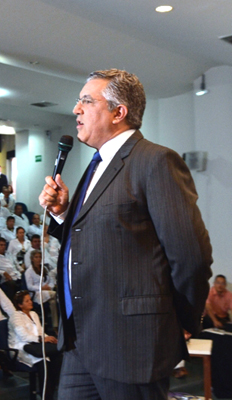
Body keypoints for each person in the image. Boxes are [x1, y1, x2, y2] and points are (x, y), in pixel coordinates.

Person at [38, 69, 212, 398]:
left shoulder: (155, 161)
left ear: (119, 113)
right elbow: (91, 243)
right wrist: (62, 213)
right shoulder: (95, 165)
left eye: (87, 101)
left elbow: (190, 255)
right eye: (78, 102)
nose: (76, 109)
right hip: (80, 340)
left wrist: (183, 320)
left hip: (130, 343)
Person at [9, 291, 61, 400]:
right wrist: (42, 339)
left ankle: (54, 390)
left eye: (30, 300)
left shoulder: (33, 314)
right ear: (20, 305)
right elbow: (23, 336)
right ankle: (45, 396)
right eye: (27, 301)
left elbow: (40, 331)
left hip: (37, 345)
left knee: (57, 356)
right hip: (22, 347)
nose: (30, 302)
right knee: (43, 363)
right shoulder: (15, 316)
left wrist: (49, 338)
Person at [24, 249, 57, 329]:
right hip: (37, 293)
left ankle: (55, 326)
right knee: (56, 294)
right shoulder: (29, 271)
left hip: (47, 291)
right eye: (36, 257)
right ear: (32, 259)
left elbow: (51, 280)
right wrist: (41, 288)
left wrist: (50, 286)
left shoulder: (44, 268)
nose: (38, 259)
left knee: (53, 303)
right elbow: (29, 286)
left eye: (39, 257)